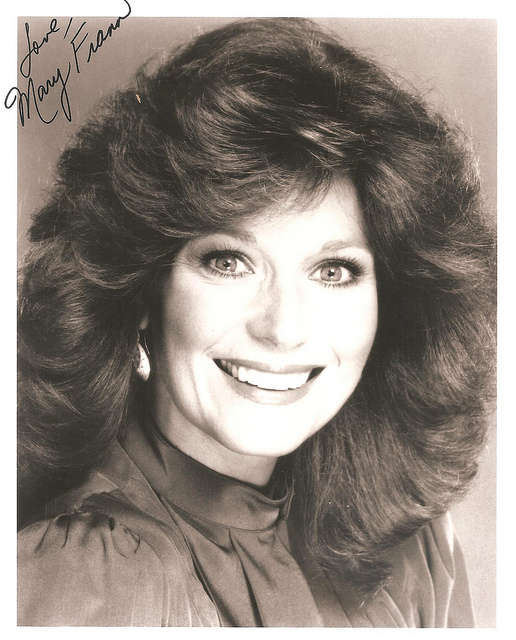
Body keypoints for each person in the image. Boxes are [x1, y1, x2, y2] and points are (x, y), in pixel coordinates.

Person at [17, 17, 495, 627]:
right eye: (229, 262)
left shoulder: (411, 547)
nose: (283, 328)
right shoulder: (89, 578)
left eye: (334, 271)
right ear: (142, 292)